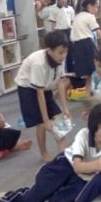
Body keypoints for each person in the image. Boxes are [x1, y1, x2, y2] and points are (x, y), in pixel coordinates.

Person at [0, 103, 101, 202]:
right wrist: (97, 165)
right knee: (30, 200)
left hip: (84, 176)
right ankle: (8, 196)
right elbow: (77, 166)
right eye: (100, 127)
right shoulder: (84, 134)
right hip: (64, 165)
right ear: (93, 125)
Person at [14, 30, 71, 162]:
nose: (63, 55)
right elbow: (39, 94)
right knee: (40, 124)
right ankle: (44, 153)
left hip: (45, 85)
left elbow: (61, 83)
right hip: (27, 88)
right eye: (60, 52)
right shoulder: (39, 63)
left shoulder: (59, 58)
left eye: (65, 52)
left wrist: (65, 108)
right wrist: (46, 120)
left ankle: (64, 156)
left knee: (59, 120)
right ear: (49, 51)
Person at [71, 0, 101, 90]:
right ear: (90, 6)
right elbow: (99, 33)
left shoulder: (77, 16)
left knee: (88, 74)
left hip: (77, 46)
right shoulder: (90, 16)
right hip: (87, 46)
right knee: (96, 70)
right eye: (96, 7)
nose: (97, 10)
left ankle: (90, 93)